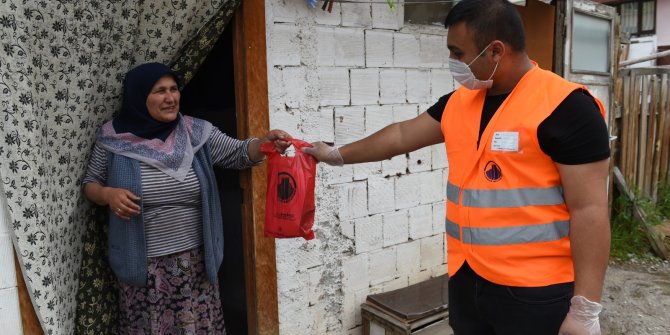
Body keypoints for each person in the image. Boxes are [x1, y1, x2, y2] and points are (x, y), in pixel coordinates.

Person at [304, 0, 610, 334]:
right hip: (468, 280)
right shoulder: (461, 102)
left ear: (495, 51)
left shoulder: (567, 108)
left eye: (458, 53)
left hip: (535, 293)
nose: (453, 63)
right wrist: (335, 154)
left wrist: (584, 309)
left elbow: (590, 211)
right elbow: (401, 135)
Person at [82, 62, 291, 334]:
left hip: (195, 265)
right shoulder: (113, 139)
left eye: (174, 89)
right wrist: (108, 194)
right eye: (159, 91)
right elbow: (90, 184)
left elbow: (239, 154)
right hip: (144, 269)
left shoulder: (196, 132)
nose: (170, 98)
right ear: (138, 96)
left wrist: (266, 143)